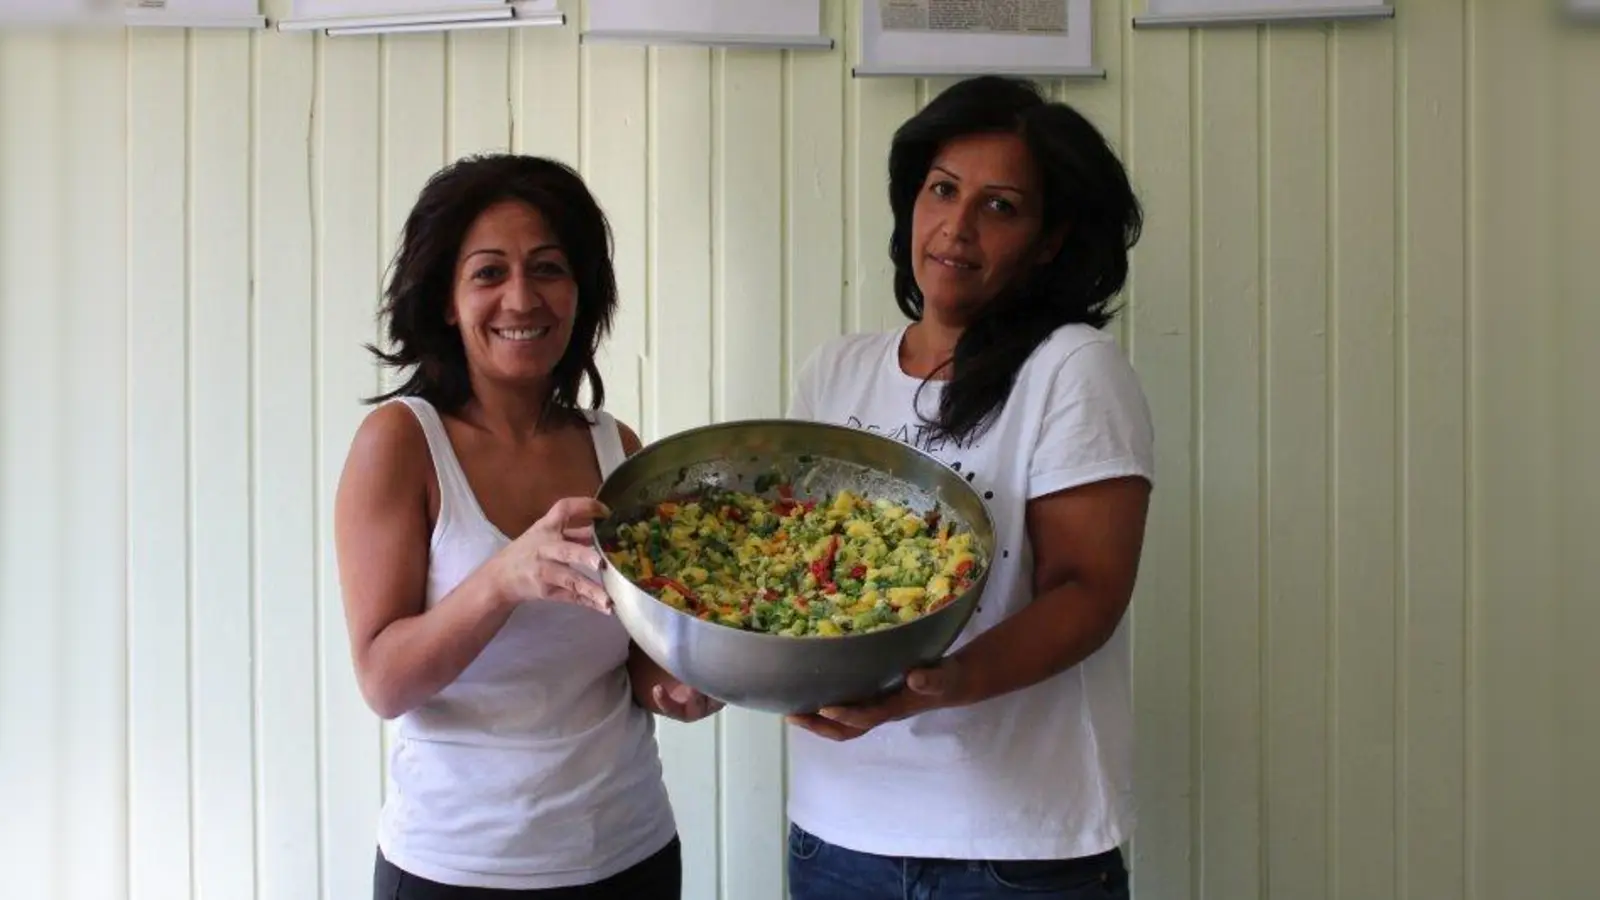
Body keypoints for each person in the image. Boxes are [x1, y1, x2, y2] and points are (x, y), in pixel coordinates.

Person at [782, 76, 1155, 899]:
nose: (957, 226)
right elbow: (794, 567)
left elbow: (1087, 593)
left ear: (1049, 241)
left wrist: (941, 687)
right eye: (943, 190)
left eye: (1001, 206)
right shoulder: (836, 370)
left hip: (1013, 847)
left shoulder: (1072, 369)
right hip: (837, 833)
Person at [332, 153, 718, 900]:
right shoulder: (402, 442)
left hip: (630, 850)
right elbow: (384, 681)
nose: (521, 297)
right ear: (447, 300)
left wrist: (679, 684)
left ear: (579, 293)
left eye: (548, 268)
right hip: (458, 867)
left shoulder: (616, 447)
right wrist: (503, 579)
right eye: (489, 272)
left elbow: (634, 660)